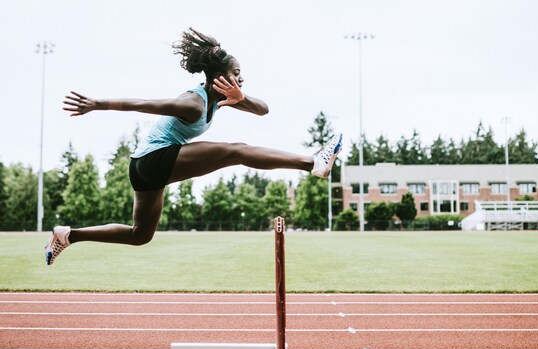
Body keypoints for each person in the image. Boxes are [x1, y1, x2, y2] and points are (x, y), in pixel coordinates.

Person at [46, 28, 342, 265]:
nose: (242, 78)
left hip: (144, 167)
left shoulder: (220, 99)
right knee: (235, 150)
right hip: (153, 159)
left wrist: (241, 97)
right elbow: (145, 103)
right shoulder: (195, 103)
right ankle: (312, 163)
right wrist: (98, 104)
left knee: (140, 235)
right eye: (237, 73)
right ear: (219, 76)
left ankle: (67, 235)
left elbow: (263, 110)